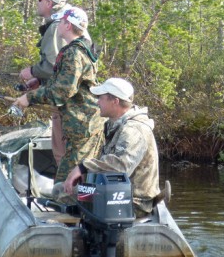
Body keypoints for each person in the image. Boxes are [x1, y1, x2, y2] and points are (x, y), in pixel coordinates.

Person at [14, 7, 104, 183]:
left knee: (68, 181)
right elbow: (69, 83)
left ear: (68, 26)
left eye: (61, 22)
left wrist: (29, 98)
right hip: (82, 121)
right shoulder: (82, 48)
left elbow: (63, 91)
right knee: (74, 177)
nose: (58, 25)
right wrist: (39, 83)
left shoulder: (74, 53)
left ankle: (72, 206)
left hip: (81, 124)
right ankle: (74, 204)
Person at [63, 78, 160, 217]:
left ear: (115, 101)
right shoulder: (116, 125)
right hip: (114, 194)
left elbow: (121, 167)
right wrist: (88, 177)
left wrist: (83, 167)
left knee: (60, 194)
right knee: (68, 191)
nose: (97, 102)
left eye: (101, 98)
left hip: (132, 202)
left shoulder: (134, 130)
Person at [18, 0, 70, 165]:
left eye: (39, 0)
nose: (37, 3)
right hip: (68, 101)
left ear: (48, 3)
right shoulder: (62, 23)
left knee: (62, 154)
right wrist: (39, 79)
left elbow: (54, 66)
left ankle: (67, 192)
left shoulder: (57, 27)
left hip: (65, 104)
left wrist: (31, 71)